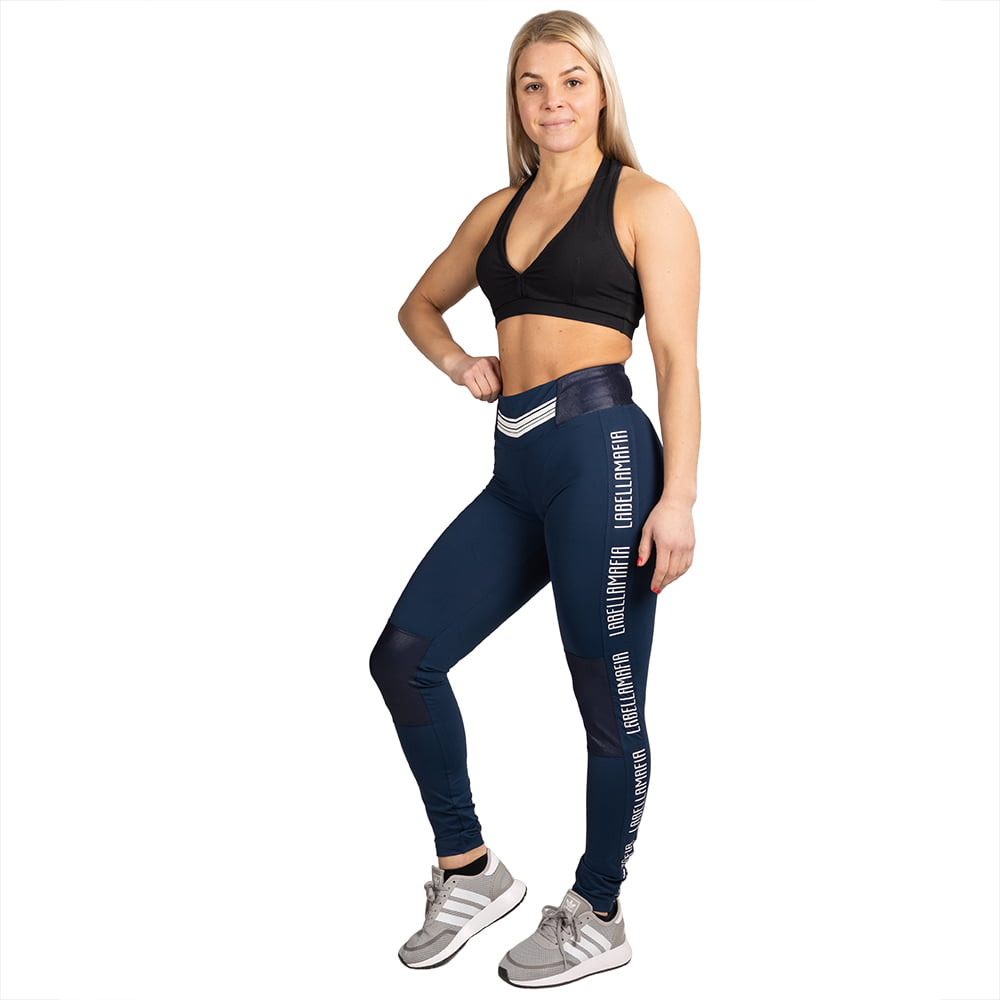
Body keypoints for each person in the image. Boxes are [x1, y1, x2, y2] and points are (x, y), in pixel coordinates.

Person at [370, 9, 700, 988]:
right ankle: (469, 867)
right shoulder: (496, 211)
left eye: (570, 81)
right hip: (515, 467)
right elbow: (417, 304)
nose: (552, 100)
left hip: (604, 456)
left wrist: (679, 497)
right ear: (515, 101)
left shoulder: (647, 203)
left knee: (607, 695)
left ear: (601, 92)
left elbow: (678, 361)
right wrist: (457, 361)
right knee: (404, 657)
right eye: (532, 84)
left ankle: (598, 907)